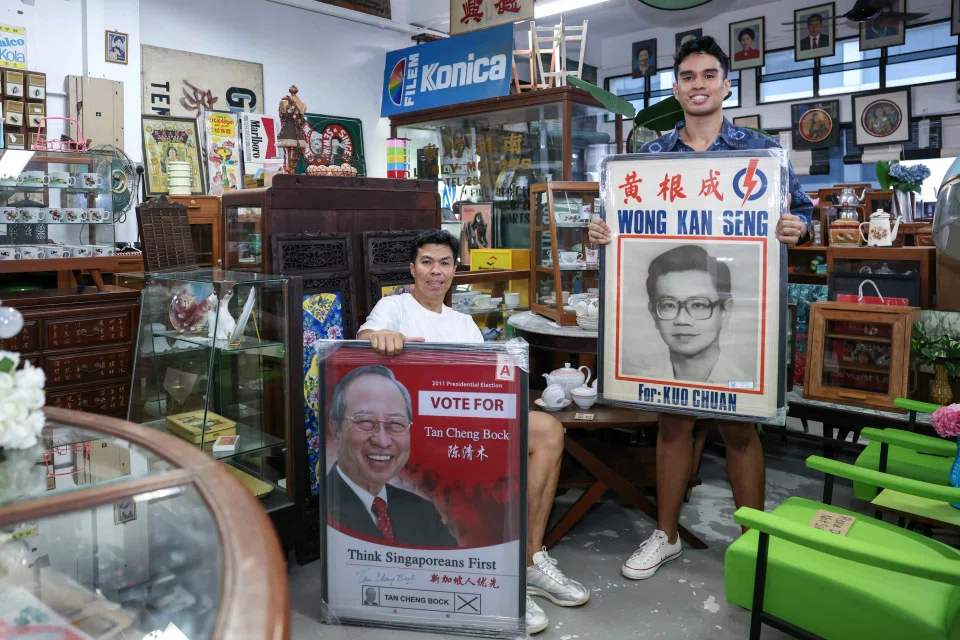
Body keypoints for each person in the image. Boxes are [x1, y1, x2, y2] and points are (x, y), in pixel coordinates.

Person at [588, 36, 811, 583]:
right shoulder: (650, 159)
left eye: (709, 75)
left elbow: (804, 216)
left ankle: (754, 543)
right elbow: (617, 225)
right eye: (688, 76)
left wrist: (799, 228)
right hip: (676, 309)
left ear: (726, 83)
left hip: (736, 314)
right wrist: (599, 232)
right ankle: (666, 536)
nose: (698, 85)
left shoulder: (761, 152)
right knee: (672, 423)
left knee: (740, 429)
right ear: (676, 87)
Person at [358, 229, 590, 635]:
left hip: (466, 425)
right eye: (427, 262)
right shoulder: (393, 308)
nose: (436, 271)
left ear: (454, 270)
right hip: (417, 434)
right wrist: (378, 338)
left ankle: (531, 561)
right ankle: (499, 584)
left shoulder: (464, 323)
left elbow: (483, 384)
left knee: (549, 430)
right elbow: (363, 338)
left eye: (444, 263)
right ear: (412, 269)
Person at [326, 365, 459, 548]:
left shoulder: (423, 511)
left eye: (396, 424)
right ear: (336, 430)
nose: (382, 441)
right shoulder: (323, 508)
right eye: (365, 421)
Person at [623, 245, 750, 384]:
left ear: (726, 311)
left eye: (698, 305)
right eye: (669, 305)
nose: (682, 320)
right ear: (654, 314)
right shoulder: (636, 386)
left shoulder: (748, 390)